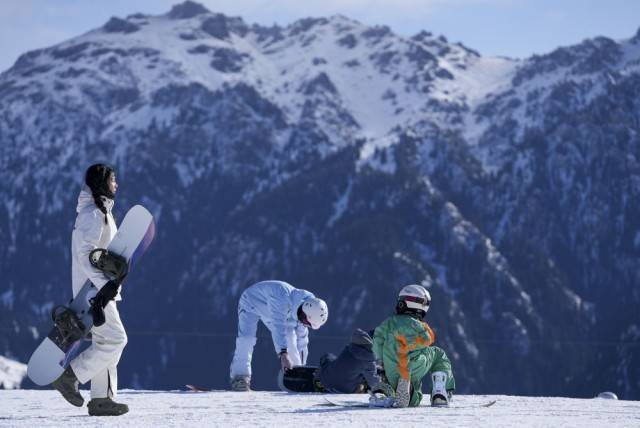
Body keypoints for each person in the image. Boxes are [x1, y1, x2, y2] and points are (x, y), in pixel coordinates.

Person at [52, 164, 129, 416]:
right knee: (117, 339)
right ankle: (70, 376)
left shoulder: (101, 211)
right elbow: (86, 256)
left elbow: (100, 255)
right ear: (101, 183)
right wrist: (103, 285)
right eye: (112, 180)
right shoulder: (93, 214)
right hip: (95, 292)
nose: (116, 185)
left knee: (105, 341)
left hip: (100, 290)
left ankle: (101, 399)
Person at [229, 280, 328, 391]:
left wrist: (302, 370)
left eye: (307, 324)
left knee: (290, 337)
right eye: (304, 320)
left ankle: (294, 377)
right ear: (304, 310)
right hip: (250, 302)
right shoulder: (281, 297)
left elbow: (302, 340)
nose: (304, 323)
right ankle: (240, 378)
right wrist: (283, 354)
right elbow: (278, 326)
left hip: (278, 310)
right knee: (246, 339)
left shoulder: (305, 311)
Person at [372, 284, 455, 408]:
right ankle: (440, 394)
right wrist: (408, 346)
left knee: (407, 390)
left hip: (391, 369)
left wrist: (381, 365)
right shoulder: (419, 325)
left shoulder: (388, 323)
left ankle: (389, 392)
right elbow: (428, 338)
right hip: (413, 365)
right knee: (438, 354)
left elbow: (377, 342)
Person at [315, 328, 381, 393]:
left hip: (326, 380)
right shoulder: (369, 360)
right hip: (343, 389)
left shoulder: (351, 347)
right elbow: (374, 383)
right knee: (363, 381)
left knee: (328, 357)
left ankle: (317, 380)